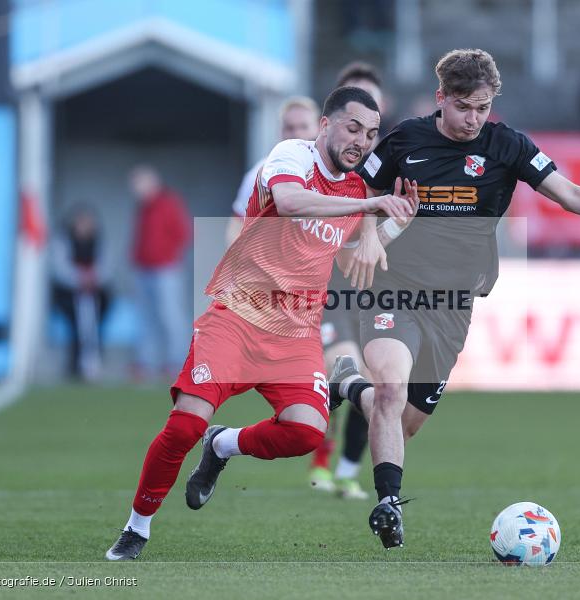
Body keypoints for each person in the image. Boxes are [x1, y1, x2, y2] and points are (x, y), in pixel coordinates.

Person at [330, 48, 580, 549]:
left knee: (402, 420)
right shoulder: (404, 139)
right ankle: (388, 503)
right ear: (441, 98)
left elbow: (570, 194)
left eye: (482, 107)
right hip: (394, 290)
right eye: (463, 107)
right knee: (391, 391)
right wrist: (369, 232)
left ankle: (348, 387)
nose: (473, 118)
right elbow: (357, 197)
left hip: (454, 306)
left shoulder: (507, 146)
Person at [105, 86, 416, 560]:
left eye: (371, 135)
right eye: (353, 129)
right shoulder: (292, 155)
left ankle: (223, 445)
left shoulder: (356, 190)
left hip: (295, 332)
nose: (361, 142)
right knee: (185, 425)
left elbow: (352, 260)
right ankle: (138, 526)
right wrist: (369, 207)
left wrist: (396, 223)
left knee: (307, 431)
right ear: (325, 125)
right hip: (239, 315)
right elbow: (291, 203)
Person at [308, 62, 386, 499]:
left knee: (367, 375)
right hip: (322, 285)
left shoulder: (384, 159)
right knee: (345, 370)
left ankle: (347, 471)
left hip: (368, 286)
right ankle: (319, 461)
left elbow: (376, 223)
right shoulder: (307, 161)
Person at [226, 97, 321, 246]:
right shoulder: (261, 172)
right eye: (290, 128)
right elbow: (236, 225)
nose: (297, 134)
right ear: (280, 131)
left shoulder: (332, 172)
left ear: (319, 128)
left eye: (303, 127)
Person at [130, 165, 192, 379]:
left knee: (170, 315)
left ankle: (177, 362)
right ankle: (146, 362)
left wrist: (168, 255)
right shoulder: (143, 207)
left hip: (166, 269)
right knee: (146, 317)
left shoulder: (168, 203)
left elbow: (183, 234)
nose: (135, 188)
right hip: (144, 269)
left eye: (138, 183)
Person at [50, 205, 112, 381]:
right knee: (76, 328)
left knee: (94, 326)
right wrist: (78, 278)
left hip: (95, 294)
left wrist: (94, 278)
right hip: (70, 294)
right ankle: (75, 366)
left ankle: (94, 363)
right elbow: (60, 268)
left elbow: (106, 267)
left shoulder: (99, 242)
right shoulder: (64, 241)